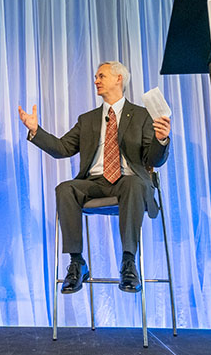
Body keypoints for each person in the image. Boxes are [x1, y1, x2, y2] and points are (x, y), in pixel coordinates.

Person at [18, 61, 170, 294]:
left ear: (118, 79)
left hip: (128, 181)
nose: (96, 81)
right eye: (96, 77)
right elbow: (62, 148)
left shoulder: (142, 115)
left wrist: (161, 140)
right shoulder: (87, 119)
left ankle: (129, 262)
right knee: (65, 188)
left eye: (101, 76)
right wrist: (36, 131)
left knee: (132, 183)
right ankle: (77, 262)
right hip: (95, 182)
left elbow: (154, 160)